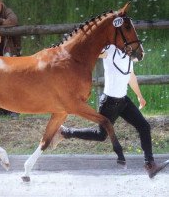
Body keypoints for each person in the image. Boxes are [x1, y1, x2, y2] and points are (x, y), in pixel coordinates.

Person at [50, 44, 169, 178]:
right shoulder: (110, 50)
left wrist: (139, 96)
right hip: (109, 103)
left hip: (123, 101)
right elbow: (92, 51)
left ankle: (150, 165)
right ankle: (64, 132)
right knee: (101, 135)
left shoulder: (128, 56)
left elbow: (131, 76)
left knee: (144, 126)